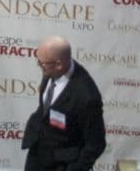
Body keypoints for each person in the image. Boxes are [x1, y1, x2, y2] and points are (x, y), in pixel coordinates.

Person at [21, 36, 106, 171]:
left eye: (42, 64)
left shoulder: (87, 96)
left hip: (62, 163)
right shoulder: (52, 68)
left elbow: (96, 144)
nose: (39, 67)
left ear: (59, 64)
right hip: (38, 152)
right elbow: (46, 107)